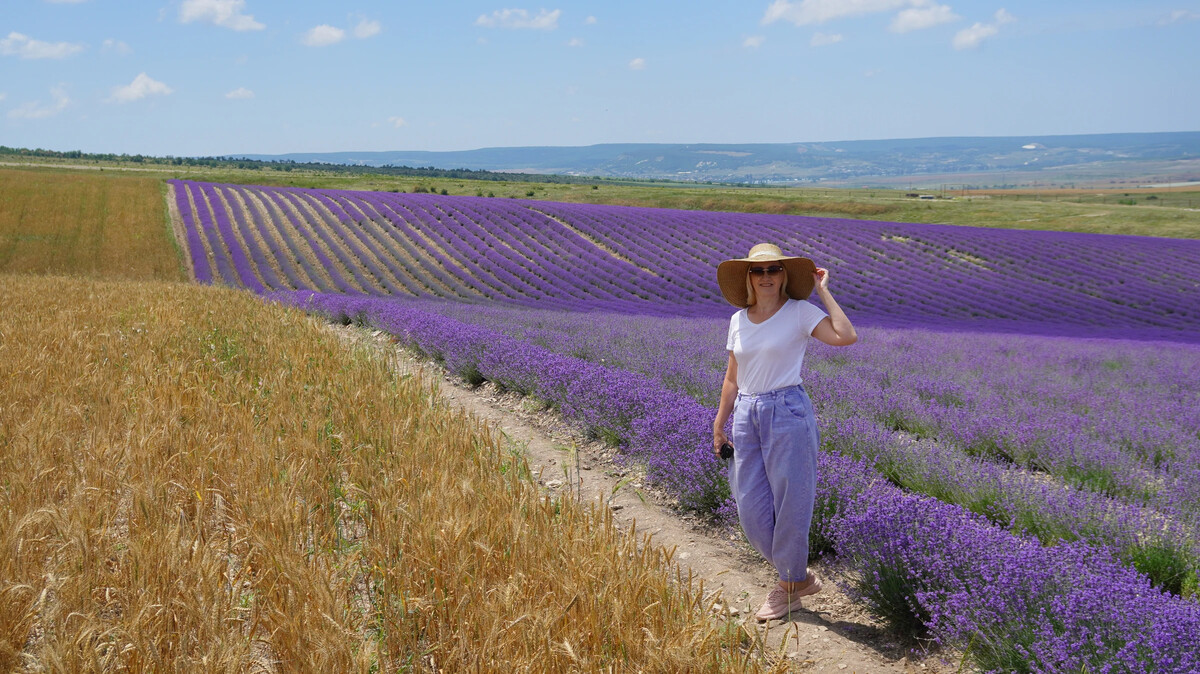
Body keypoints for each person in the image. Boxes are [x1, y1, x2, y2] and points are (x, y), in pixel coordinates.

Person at [712, 242, 857, 622]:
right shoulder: (737, 320)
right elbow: (732, 376)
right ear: (748, 277)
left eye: (773, 270)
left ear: (784, 275)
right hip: (745, 412)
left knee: (792, 503)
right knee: (751, 508)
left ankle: (788, 588)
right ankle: (799, 578)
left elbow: (845, 336)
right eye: (757, 271)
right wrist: (719, 421)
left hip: (786, 409)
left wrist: (824, 291)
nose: (765, 277)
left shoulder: (799, 312)